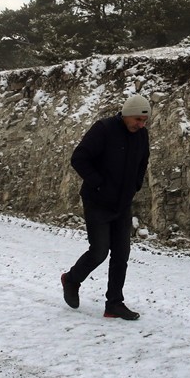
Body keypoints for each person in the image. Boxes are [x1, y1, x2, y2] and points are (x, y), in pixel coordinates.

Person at [60, 93, 151, 320]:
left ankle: (114, 304)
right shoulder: (104, 129)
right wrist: (99, 184)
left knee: (121, 254)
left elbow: (143, 161)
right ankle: (71, 279)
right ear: (127, 114)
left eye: (144, 121)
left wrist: (135, 185)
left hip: (123, 202)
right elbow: (79, 158)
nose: (141, 125)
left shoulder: (142, 135)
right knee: (100, 251)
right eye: (138, 120)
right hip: (97, 201)